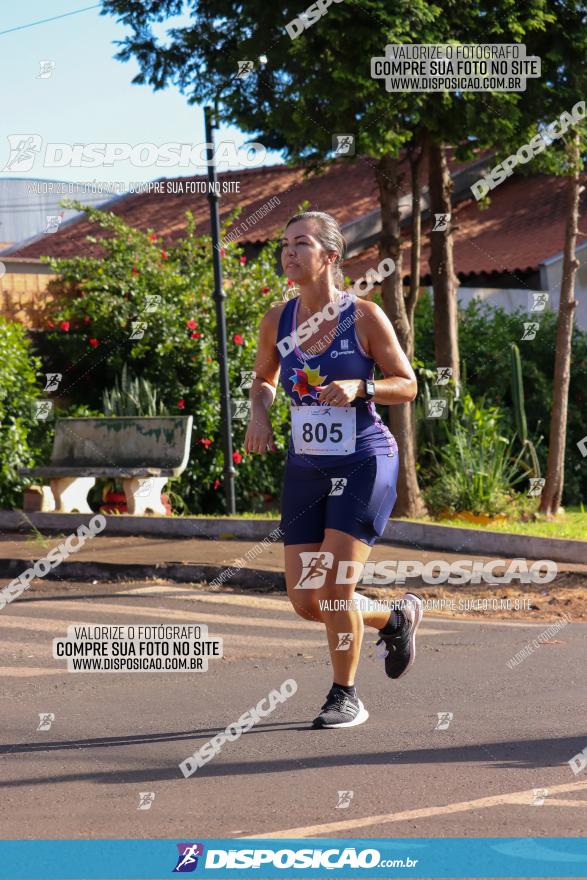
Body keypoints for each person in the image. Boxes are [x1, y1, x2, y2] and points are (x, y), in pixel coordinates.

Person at [244, 210, 423, 729]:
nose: (288, 253)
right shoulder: (277, 319)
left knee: (336, 589)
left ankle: (345, 695)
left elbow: (407, 384)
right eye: (283, 245)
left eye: (300, 244)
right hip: (307, 467)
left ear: (329, 257)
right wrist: (260, 411)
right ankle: (395, 617)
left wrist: (361, 387)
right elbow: (263, 379)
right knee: (306, 600)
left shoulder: (363, 316)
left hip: (366, 460)